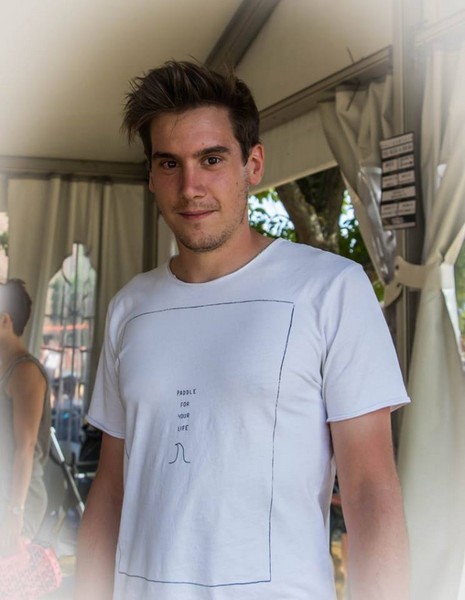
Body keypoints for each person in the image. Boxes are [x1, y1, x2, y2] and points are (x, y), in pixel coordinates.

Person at [76, 61, 410, 600]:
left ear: (252, 164)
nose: (190, 187)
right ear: (152, 176)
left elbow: (371, 491)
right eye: (169, 163)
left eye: (211, 159)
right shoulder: (129, 307)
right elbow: (110, 489)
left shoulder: (329, 289)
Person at [0, 279, 51, 555]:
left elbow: (26, 447)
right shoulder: (6, 368)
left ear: (5, 321)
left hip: (17, 497)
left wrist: (15, 513)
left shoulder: (25, 372)